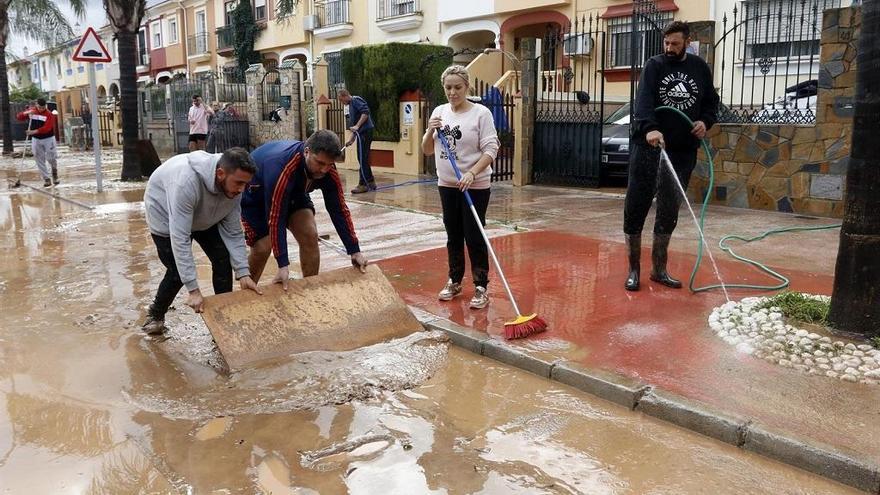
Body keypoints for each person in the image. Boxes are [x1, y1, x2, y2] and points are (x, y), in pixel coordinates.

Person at [623, 21, 719, 291]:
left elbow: (711, 102)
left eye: (675, 44)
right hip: (648, 148)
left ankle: (659, 269)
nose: (669, 48)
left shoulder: (699, 68)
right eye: (666, 43)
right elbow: (643, 101)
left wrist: (705, 121)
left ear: (687, 42)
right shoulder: (654, 65)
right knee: (636, 204)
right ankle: (633, 270)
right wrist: (650, 128)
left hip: (682, 150)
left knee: (669, 208)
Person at [141, 147, 261, 335]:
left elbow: (234, 232)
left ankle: (224, 315)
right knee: (176, 272)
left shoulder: (234, 187)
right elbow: (180, 237)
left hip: (205, 212)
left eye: (246, 184)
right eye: (239, 183)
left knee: (222, 258)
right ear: (220, 174)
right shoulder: (186, 183)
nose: (242, 189)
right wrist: (193, 289)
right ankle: (155, 315)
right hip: (165, 214)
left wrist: (243, 272)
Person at [242, 130, 368, 289]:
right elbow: (276, 218)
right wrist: (283, 264)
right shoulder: (282, 167)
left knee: (310, 234)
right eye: (320, 163)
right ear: (306, 152)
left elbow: (339, 209)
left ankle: (310, 290)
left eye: (329, 164)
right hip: (258, 195)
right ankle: (247, 292)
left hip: (295, 192)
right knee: (263, 247)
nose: (324, 170)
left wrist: (354, 250)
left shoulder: (328, 170)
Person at [421, 65, 499, 309]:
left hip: (475, 185)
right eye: (448, 87)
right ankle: (454, 280)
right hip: (447, 184)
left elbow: (491, 149)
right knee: (453, 234)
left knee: (474, 235)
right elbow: (427, 149)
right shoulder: (439, 112)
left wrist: (472, 173)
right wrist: (429, 130)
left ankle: (481, 286)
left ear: (467, 87)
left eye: (457, 87)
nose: (452, 92)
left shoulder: (481, 114)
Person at [337, 89, 376, 194]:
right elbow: (355, 127)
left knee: (362, 158)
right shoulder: (350, 105)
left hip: (366, 132)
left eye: (341, 100)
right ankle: (370, 181)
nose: (341, 103)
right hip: (362, 133)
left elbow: (365, 112)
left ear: (345, 96)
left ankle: (363, 185)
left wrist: (357, 126)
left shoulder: (355, 100)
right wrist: (351, 140)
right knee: (362, 158)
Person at [16, 98, 58, 187]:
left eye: (43, 107)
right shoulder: (32, 111)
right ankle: (46, 179)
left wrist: (33, 132)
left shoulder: (49, 114)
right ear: (36, 105)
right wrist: (26, 113)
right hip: (36, 139)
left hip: (48, 138)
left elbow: (47, 128)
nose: (41, 109)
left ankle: (54, 171)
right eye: (39, 107)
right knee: (39, 158)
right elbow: (19, 117)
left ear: (45, 106)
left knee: (51, 157)